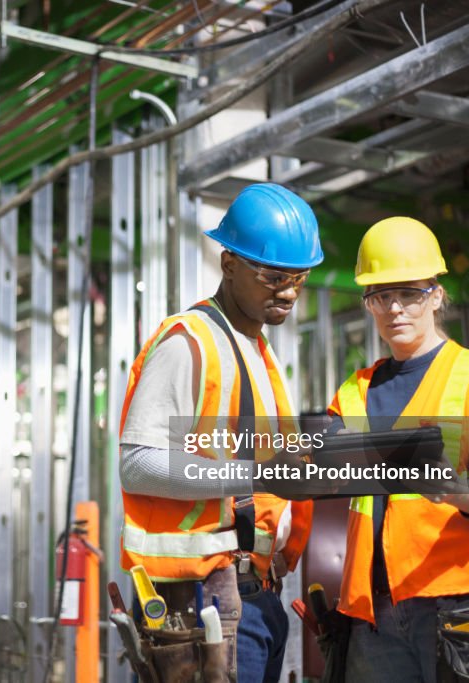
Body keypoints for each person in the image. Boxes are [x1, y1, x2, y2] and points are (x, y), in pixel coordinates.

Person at [118, 183, 323, 683]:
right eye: (274, 276)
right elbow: (138, 463)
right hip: (208, 596)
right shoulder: (189, 343)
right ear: (229, 264)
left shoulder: (255, 349)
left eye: (299, 277)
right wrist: (252, 474)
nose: (290, 292)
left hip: (258, 594)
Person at [327, 217, 469, 682]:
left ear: (436, 296)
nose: (394, 308)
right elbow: (323, 470)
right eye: (380, 295)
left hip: (464, 604)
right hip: (374, 614)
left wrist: (456, 490)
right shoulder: (353, 392)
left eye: (410, 294)